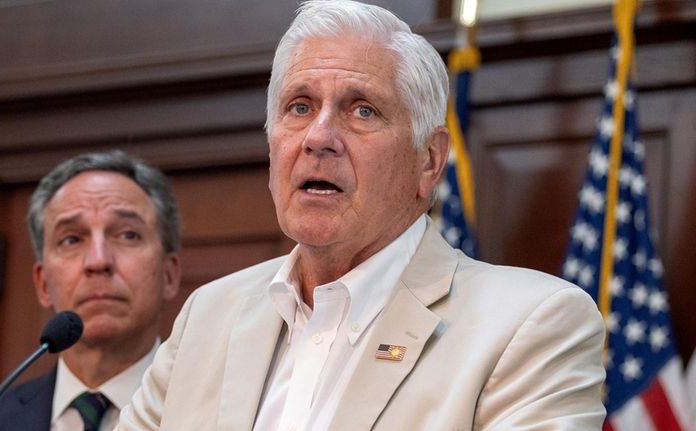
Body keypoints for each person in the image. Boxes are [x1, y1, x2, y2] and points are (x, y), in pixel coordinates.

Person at [118, 1, 606, 429]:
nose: (318, 137)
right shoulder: (208, 316)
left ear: (429, 161)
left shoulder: (531, 324)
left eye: (363, 111)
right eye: (299, 107)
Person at [0, 151, 182, 431]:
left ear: (169, 274)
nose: (98, 260)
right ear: (43, 284)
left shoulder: (222, 413)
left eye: (128, 234)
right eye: (71, 239)